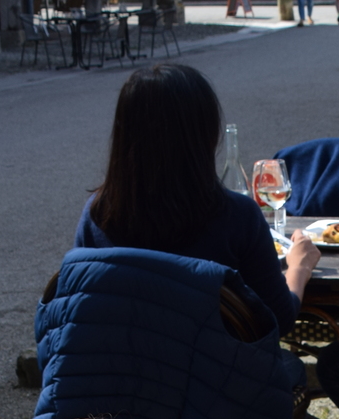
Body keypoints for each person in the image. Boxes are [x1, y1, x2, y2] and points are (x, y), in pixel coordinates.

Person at [74, 63, 318, 335]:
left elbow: (82, 301)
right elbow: (277, 321)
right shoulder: (237, 217)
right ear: (205, 135)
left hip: (119, 358)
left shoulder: (98, 216)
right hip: (215, 362)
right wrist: (299, 268)